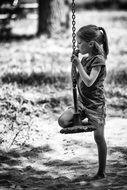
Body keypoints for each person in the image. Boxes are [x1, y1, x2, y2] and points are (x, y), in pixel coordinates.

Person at [58, 25, 109, 180]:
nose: (78, 46)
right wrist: (75, 64)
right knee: (62, 121)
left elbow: (89, 82)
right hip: (81, 102)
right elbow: (76, 78)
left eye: (80, 43)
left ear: (91, 43)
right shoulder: (85, 58)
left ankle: (101, 172)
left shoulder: (98, 60)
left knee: (99, 138)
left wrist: (78, 64)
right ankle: (85, 121)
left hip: (95, 105)